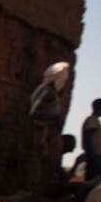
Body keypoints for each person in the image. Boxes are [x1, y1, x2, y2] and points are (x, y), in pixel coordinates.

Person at [30, 62, 70, 191]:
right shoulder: (47, 91)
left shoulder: (48, 91)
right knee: (43, 169)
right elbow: (34, 112)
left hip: (45, 135)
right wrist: (54, 119)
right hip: (44, 135)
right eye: (64, 77)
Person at [73, 98, 101, 181]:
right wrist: (94, 157)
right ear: (100, 108)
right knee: (94, 180)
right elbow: (88, 140)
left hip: (98, 157)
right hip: (95, 157)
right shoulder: (91, 120)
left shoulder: (96, 121)